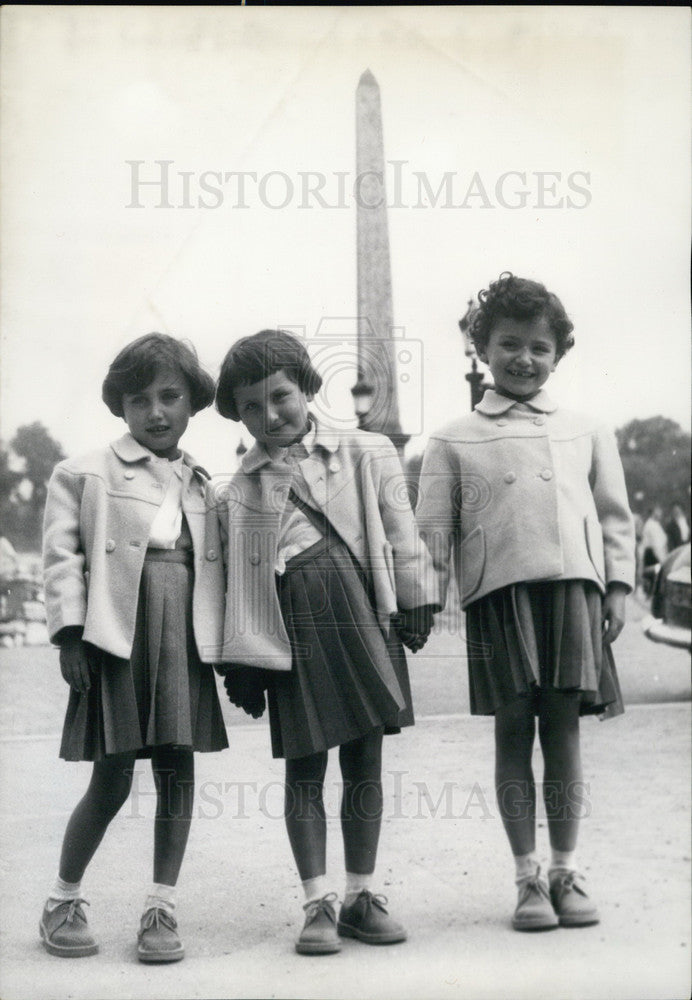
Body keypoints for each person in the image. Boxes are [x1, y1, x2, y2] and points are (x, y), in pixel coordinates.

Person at [416, 273, 635, 932]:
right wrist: (419, 605)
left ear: (558, 354)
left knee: (563, 733)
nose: (524, 358)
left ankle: (567, 869)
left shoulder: (587, 429)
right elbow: (431, 537)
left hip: (572, 589)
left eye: (540, 347)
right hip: (498, 595)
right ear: (483, 348)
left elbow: (614, 516)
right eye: (509, 343)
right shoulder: (452, 437)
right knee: (513, 734)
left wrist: (618, 585)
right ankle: (527, 878)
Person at [214, 329, 438, 955]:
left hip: (366, 612)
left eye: (280, 395)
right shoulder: (240, 489)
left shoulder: (366, 450)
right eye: (250, 407)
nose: (269, 415)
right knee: (305, 767)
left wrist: (417, 595)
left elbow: (402, 529)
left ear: (308, 387)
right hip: (294, 633)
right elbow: (241, 581)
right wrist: (245, 662)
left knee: (365, 758)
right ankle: (318, 902)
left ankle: (362, 894)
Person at [40, 333, 228, 962]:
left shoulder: (204, 484)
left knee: (178, 770)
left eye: (170, 396)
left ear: (191, 403)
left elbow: (225, 570)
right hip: (116, 631)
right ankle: (63, 898)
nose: (156, 411)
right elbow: (62, 559)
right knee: (112, 776)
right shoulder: (83, 472)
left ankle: (160, 908)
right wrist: (71, 634)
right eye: (139, 398)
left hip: (184, 633)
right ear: (119, 406)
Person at [640, 505, 668, 594]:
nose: (660, 514)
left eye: (660, 512)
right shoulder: (651, 525)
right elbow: (656, 545)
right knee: (654, 578)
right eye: (657, 512)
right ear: (653, 512)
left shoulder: (657, 525)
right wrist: (662, 560)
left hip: (656, 554)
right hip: (652, 556)